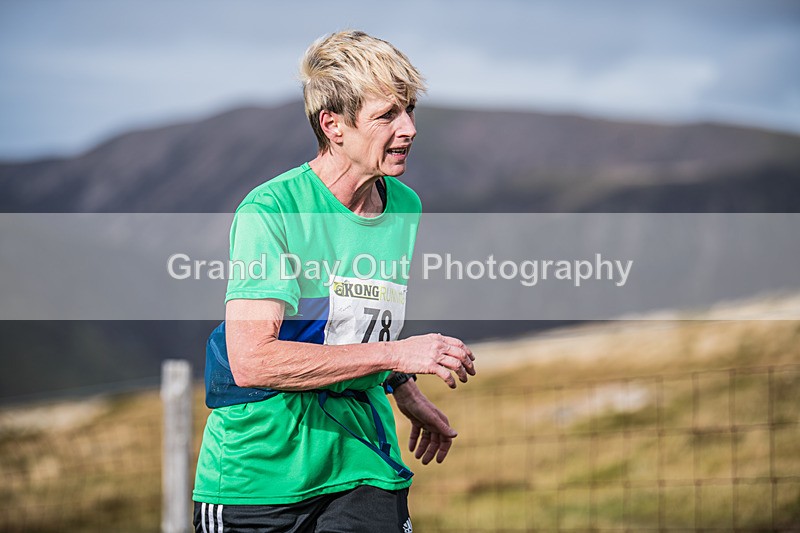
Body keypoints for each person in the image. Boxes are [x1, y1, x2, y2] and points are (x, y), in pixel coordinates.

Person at [193, 30, 476, 533]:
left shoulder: (404, 206)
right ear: (334, 125)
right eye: (387, 115)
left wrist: (403, 390)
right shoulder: (272, 210)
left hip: (361, 461)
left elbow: (353, 324)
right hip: (258, 475)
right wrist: (398, 355)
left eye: (409, 110)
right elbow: (253, 359)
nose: (409, 128)